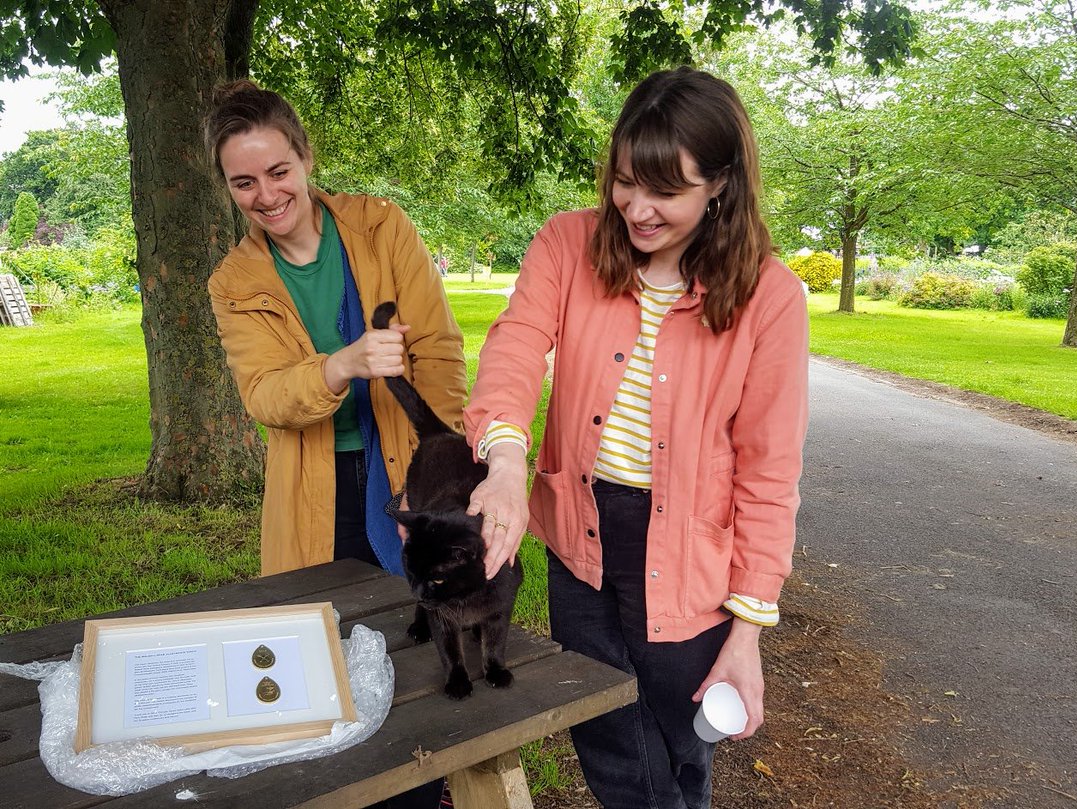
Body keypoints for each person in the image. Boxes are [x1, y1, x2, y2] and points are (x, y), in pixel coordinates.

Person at [462, 67, 809, 809]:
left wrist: (746, 635)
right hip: (580, 538)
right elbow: (515, 349)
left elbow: (769, 471)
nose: (638, 209)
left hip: (689, 556)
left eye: (667, 192)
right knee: (612, 739)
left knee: (683, 747)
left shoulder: (770, 294)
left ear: (720, 184)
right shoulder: (566, 243)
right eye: (624, 182)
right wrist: (504, 458)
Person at [204, 80, 463, 809]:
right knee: (326, 645)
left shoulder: (381, 226)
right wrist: (341, 363)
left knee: (426, 626)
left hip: (407, 468)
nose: (267, 194)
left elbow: (438, 349)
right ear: (228, 187)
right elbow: (265, 394)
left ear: (306, 157)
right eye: (244, 182)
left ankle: (425, 784)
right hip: (316, 485)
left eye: (279, 171)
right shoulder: (235, 279)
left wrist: (441, 463)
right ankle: (353, 785)